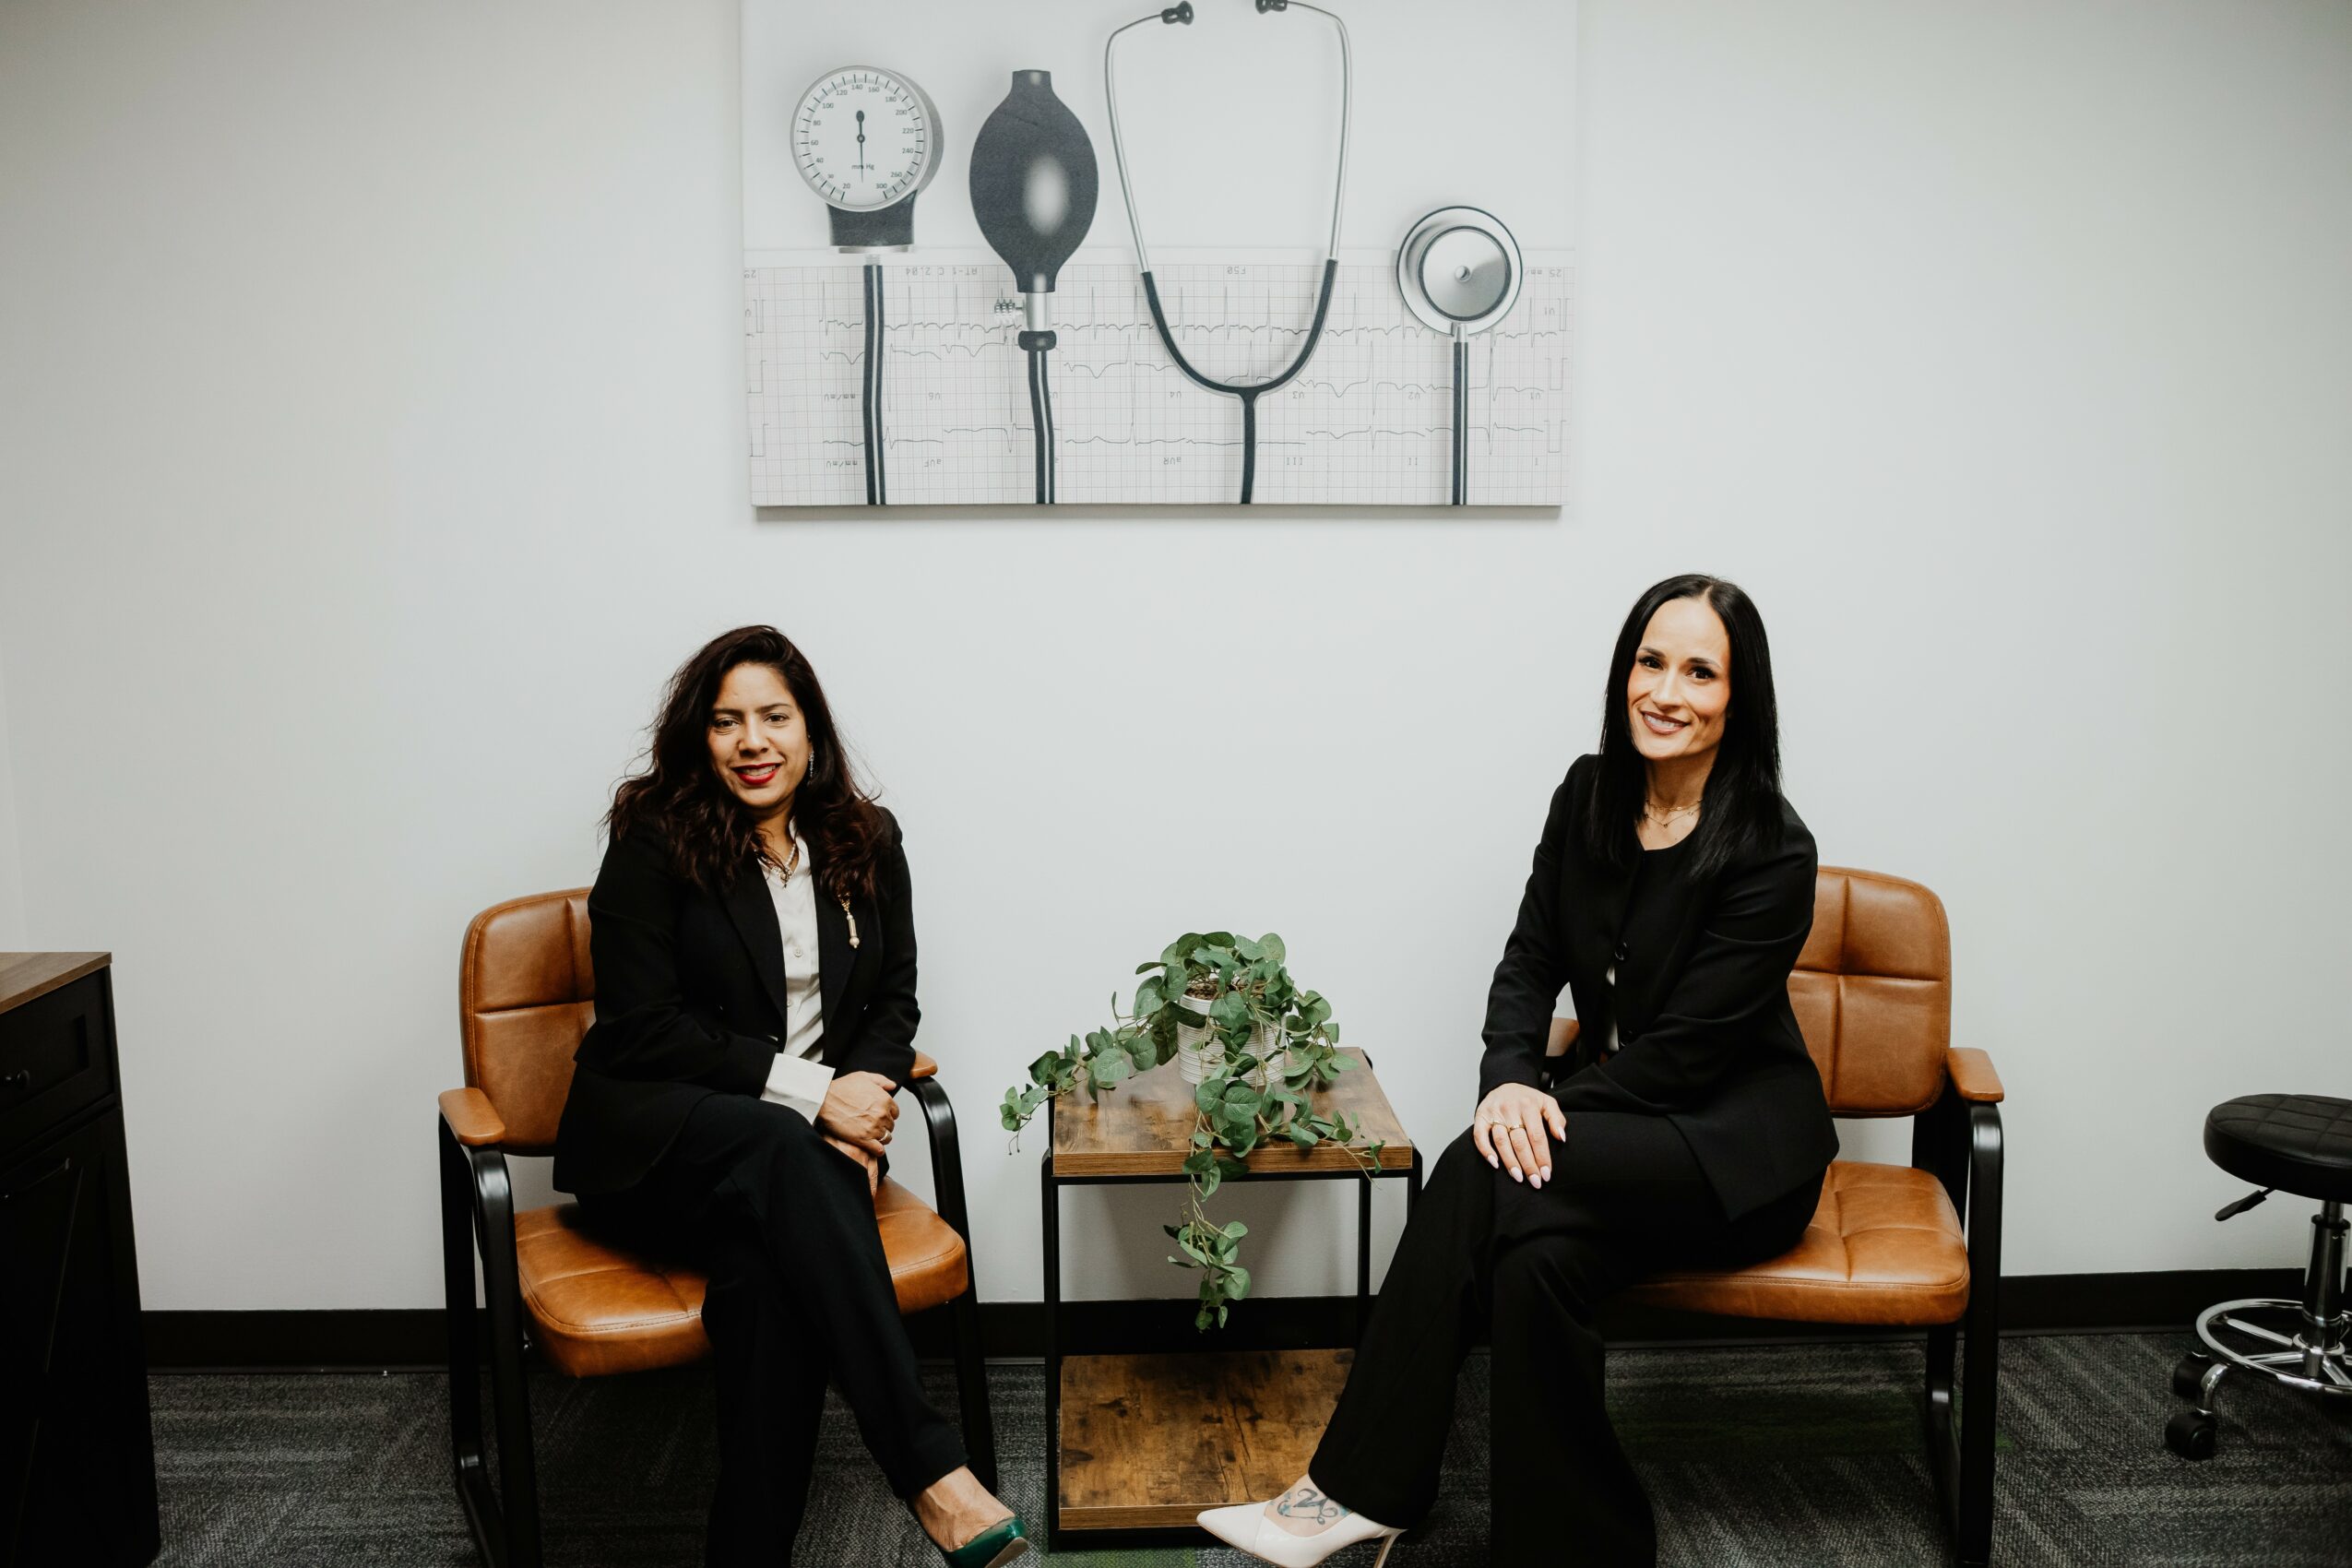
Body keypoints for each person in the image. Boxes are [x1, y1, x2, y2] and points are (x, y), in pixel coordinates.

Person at [1199, 575, 1835, 1567]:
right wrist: (1509, 1076)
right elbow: (1531, 956)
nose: (1666, 690)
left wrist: (1531, 1110)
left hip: (1733, 1154)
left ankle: (1350, 1493)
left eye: (1699, 671)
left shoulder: (1770, 848)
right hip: (1615, 1132)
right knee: (1536, 1266)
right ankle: (1580, 1547)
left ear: (1739, 697)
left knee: (1480, 1166)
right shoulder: (1589, 794)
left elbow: (1687, 1055)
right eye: (1650, 661)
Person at [551, 625, 1028, 1568]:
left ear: (810, 730)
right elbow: (639, 1028)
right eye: (727, 721)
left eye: (774, 715)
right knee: (782, 1147)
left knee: (765, 1281)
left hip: (797, 1168)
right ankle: (932, 1469)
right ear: (701, 736)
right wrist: (817, 1094)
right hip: (659, 1147)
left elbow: (894, 1000)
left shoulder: (864, 838)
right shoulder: (654, 837)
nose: (751, 740)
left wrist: (867, 1085)